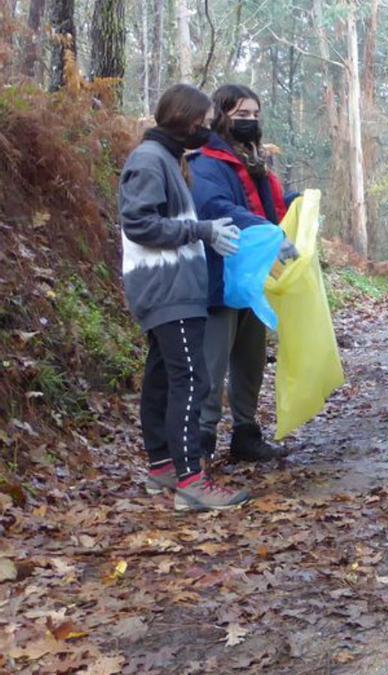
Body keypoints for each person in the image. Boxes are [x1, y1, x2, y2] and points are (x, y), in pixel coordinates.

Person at [118, 83, 251, 511]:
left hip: (172, 285)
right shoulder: (149, 160)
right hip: (166, 286)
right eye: (203, 122)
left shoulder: (169, 160)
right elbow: (139, 223)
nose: (207, 129)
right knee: (192, 379)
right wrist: (201, 230)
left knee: (162, 377)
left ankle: (163, 467)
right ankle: (192, 480)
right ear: (183, 119)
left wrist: (206, 238)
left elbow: (163, 221)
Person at [189, 84, 298, 463]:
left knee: (250, 359)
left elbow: (270, 205)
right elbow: (213, 206)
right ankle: (199, 442)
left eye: (254, 115)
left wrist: (298, 207)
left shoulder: (253, 163)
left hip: (253, 276)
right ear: (221, 116)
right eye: (241, 115)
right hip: (220, 275)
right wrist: (268, 232)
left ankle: (246, 434)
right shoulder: (206, 162)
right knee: (213, 361)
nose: (250, 121)